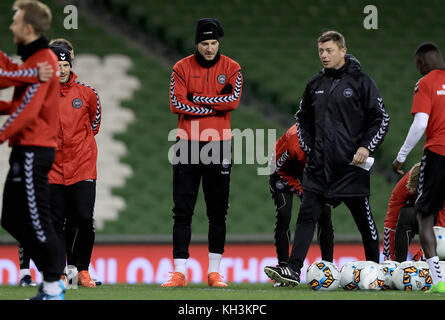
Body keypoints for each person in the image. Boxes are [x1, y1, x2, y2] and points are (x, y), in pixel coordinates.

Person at [264, 30, 390, 286]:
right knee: (306, 217)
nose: (324, 55)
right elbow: (302, 118)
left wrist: (366, 146)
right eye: (321, 51)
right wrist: (311, 149)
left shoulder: (362, 82)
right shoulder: (314, 85)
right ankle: (293, 269)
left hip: (350, 168)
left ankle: (376, 271)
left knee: (365, 222)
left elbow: (381, 118)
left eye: (329, 50)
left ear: (343, 51)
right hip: (319, 168)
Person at [163, 18, 242, 287]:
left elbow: (233, 101)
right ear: (196, 44)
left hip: (219, 144)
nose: (210, 48)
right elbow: (176, 104)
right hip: (186, 144)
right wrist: (214, 106)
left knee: (217, 211)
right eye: (205, 43)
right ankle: (179, 273)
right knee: (182, 210)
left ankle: (214, 273)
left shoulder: (232, 68)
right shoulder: (180, 67)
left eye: (213, 43)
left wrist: (197, 99)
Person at [0, 0, 65, 300]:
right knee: (12, 219)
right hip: (25, 148)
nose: (11, 26)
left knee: (37, 219)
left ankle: (53, 284)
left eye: (15, 21)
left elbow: (27, 111)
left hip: (33, 150)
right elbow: (15, 89)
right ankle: (52, 278)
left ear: (28, 27)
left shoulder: (44, 59)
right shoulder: (34, 61)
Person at [392, 42, 445, 293]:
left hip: (438, 154)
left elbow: (421, 123)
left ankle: (437, 283)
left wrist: (401, 156)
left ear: (422, 62)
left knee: (425, 216)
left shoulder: (425, 83)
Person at [48, 44, 101, 288]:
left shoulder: (88, 93)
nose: (61, 70)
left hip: (82, 166)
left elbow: (94, 124)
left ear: (71, 66)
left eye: (65, 65)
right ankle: (59, 272)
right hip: (53, 169)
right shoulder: (38, 95)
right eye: (56, 66)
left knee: (84, 218)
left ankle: (83, 270)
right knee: (56, 222)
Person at [268, 124, 334, 286]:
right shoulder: (294, 141)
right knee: (284, 214)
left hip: (310, 171)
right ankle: (284, 268)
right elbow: (280, 170)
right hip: (282, 169)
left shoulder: (333, 139)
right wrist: (304, 194)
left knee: (324, 215)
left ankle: (329, 268)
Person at [383, 162, 445, 262]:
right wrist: (390, 258)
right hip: (424, 215)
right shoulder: (405, 184)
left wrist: (419, 260)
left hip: (441, 221)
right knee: (406, 214)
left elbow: (441, 229)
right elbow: (391, 222)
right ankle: (400, 263)